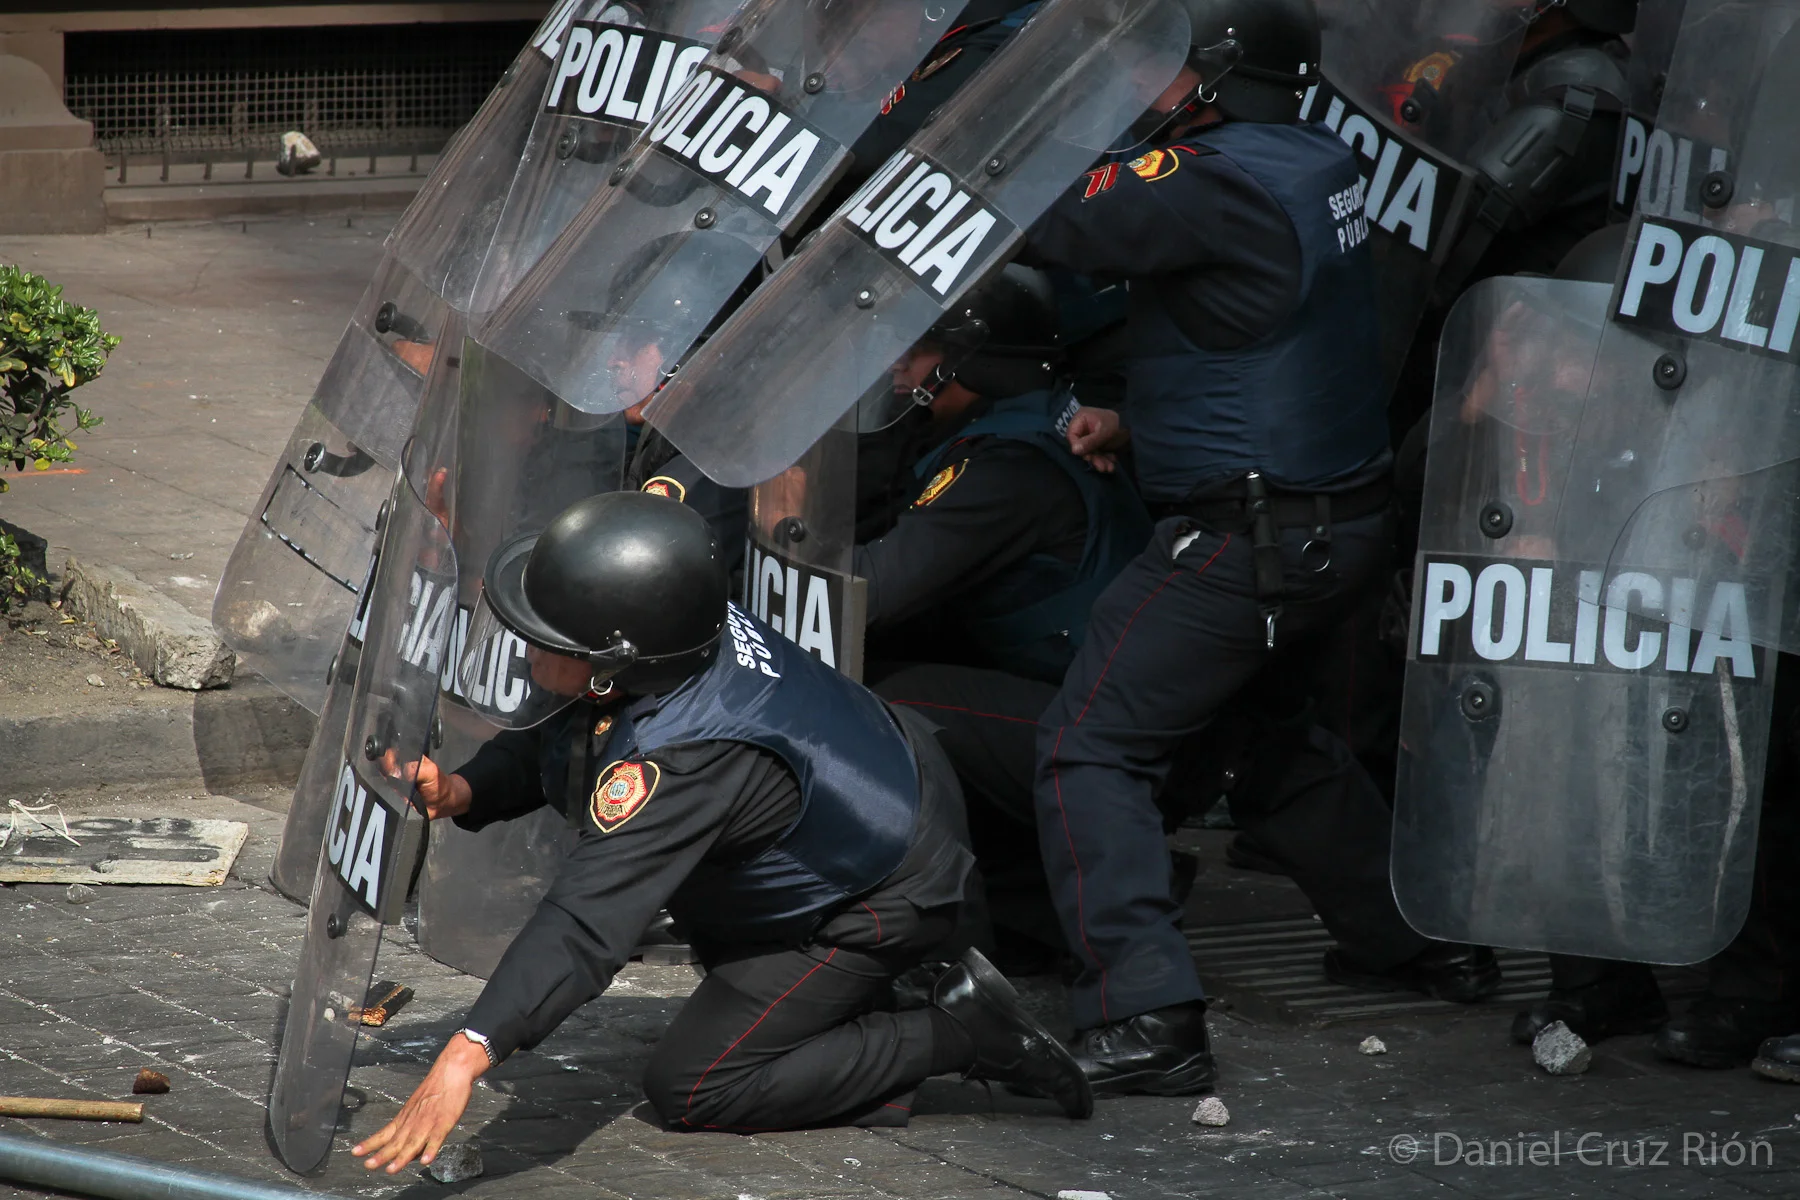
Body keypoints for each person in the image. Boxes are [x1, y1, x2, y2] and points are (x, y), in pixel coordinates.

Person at [1013, 0, 1500, 1098]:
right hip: (1329, 522)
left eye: (1159, 69)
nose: (1142, 90)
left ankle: (1147, 1016)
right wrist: (1143, 417)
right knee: (1264, 735)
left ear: (1218, 78)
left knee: (1086, 750)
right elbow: (1268, 322)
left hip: (1246, 539)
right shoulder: (1313, 158)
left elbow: (1036, 217)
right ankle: (1418, 936)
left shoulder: (1208, 178)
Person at [348, 492, 1091, 1174]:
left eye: (545, 641)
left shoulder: (689, 755)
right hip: (874, 799)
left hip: (882, 893)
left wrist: (468, 1052)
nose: (526, 653)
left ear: (610, 663)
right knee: (731, 973)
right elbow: (575, 727)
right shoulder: (673, 631)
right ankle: (860, 1015)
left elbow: (584, 922)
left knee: (700, 1084)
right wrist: (465, 788)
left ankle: (963, 1031)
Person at [853, 265, 1151, 685]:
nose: (897, 366)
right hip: (1070, 669)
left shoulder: (1005, 469)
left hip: (1091, 705)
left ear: (975, 361)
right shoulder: (1027, 413)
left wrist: (783, 507)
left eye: (918, 348)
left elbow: (865, 596)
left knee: (892, 699)